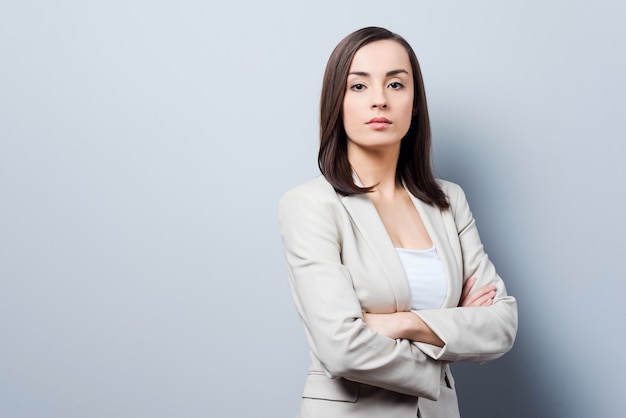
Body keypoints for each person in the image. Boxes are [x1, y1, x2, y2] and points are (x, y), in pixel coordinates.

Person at [278, 26, 518, 418]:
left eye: (395, 84)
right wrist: (450, 331)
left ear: (415, 102)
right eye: (358, 87)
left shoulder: (448, 201)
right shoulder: (310, 205)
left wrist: (401, 323)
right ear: (336, 102)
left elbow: (501, 325)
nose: (379, 101)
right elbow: (340, 348)